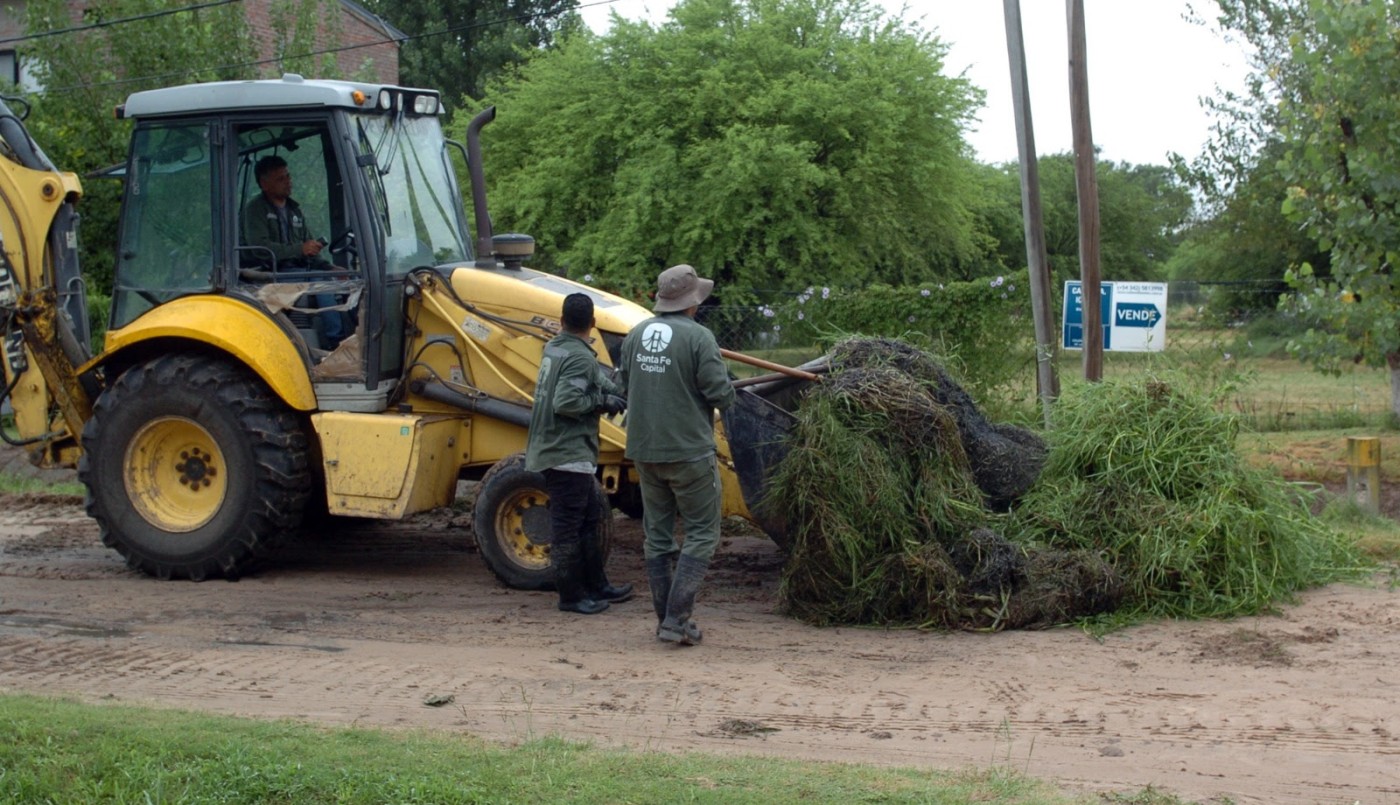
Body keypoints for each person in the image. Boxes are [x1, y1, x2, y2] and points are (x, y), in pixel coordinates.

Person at [618, 264, 736, 645]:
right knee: (702, 532)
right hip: (688, 452)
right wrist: (727, 385)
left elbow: (624, 384)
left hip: (644, 450)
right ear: (693, 302)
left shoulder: (635, 335)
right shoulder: (700, 338)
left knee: (657, 535)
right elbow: (721, 395)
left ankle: (665, 621)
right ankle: (676, 618)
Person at [525, 293, 634, 615]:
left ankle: (597, 586)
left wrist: (616, 392)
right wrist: (602, 403)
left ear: (561, 320)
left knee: (590, 518)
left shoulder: (556, 348)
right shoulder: (579, 357)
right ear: (594, 324)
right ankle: (571, 597)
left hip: (560, 450)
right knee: (569, 527)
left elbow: (592, 378)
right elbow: (567, 403)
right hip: (565, 452)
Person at [241, 155, 350, 350]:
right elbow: (260, 248)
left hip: (299, 270)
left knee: (339, 281)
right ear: (264, 184)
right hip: (272, 272)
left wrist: (329, 267)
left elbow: (308, 247)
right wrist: (300, 249)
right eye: (280, 179)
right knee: (321, 282)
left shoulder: (294, 210)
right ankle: (337, 343)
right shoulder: (255, 209)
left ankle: (349, 336)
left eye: (288, 176)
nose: (288, 182)